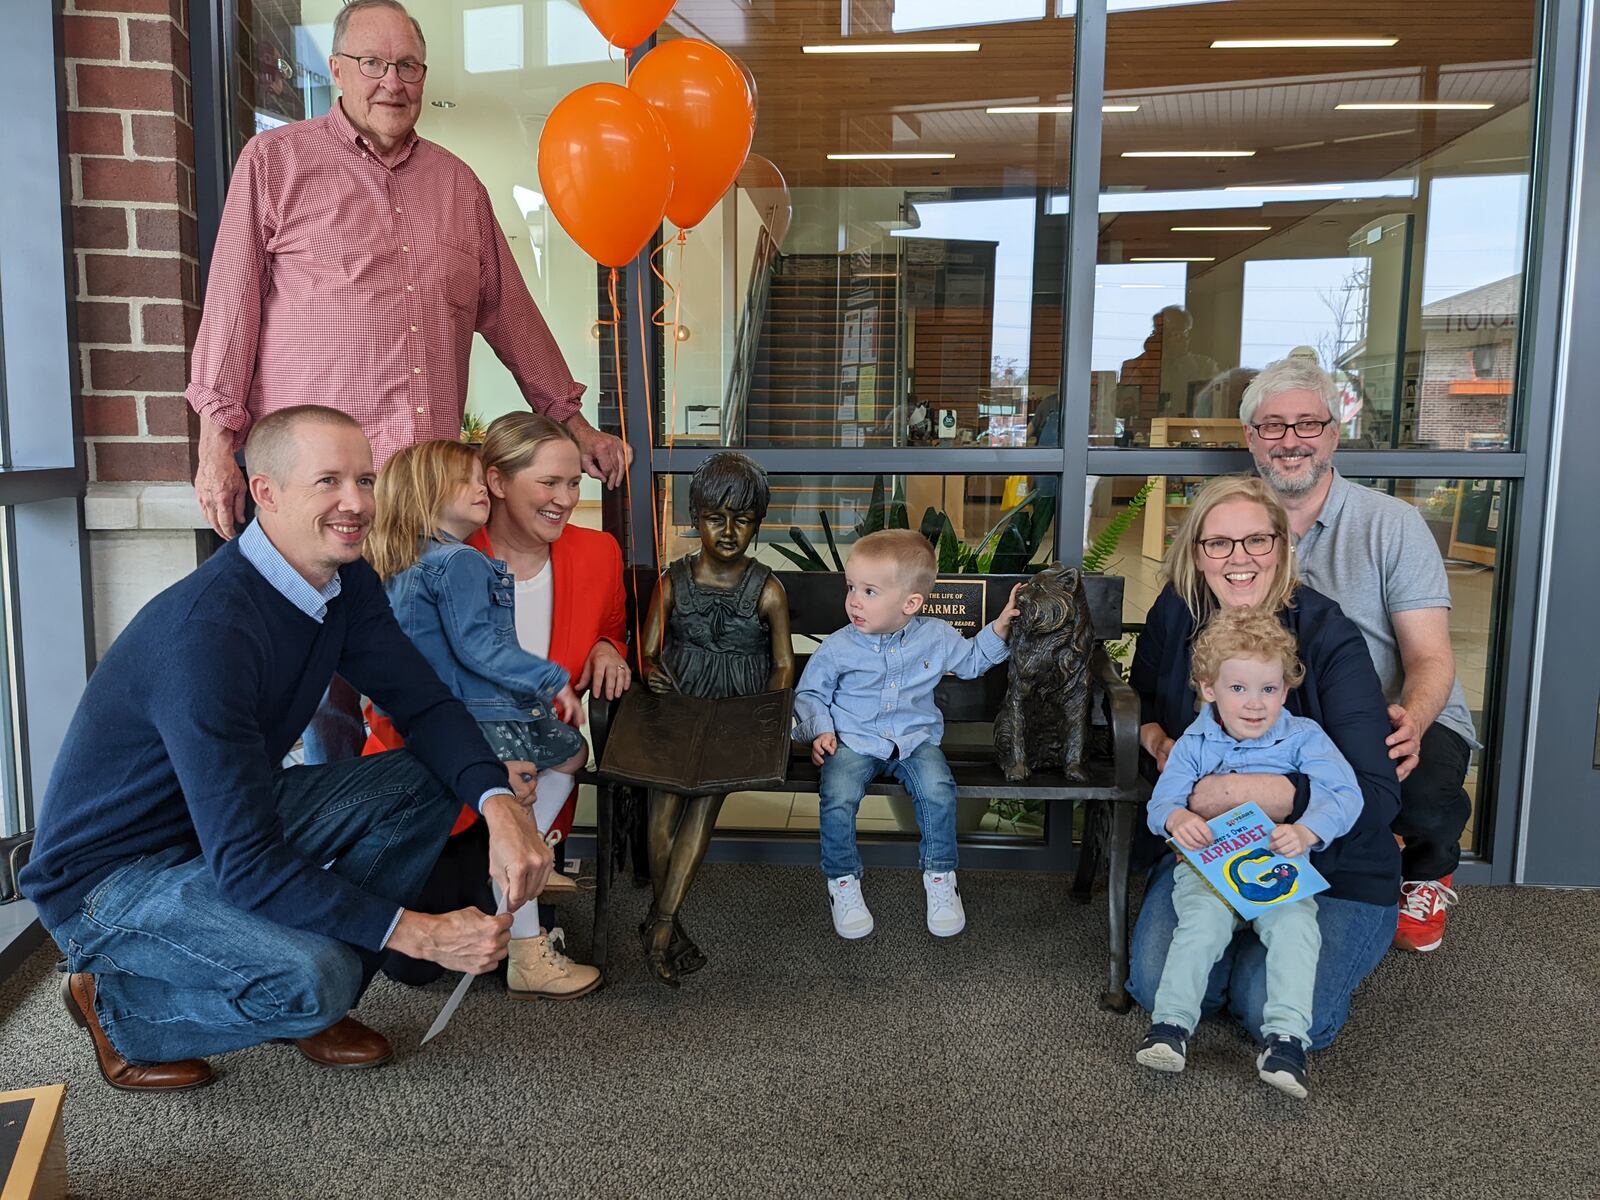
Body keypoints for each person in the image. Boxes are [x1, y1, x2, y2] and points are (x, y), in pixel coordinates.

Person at [18, 407, 552, 1092]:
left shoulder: (343, 579)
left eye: (364, 478)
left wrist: (501, 805)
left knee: (427, 775)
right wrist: (414, 932)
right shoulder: (209, 634)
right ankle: (121, 1011)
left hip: (214, 826)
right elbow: (246, 863)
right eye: (327, 481)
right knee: (317, 975)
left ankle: (313, 997)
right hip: (109, 878)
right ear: (265, 492)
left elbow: (422, 702)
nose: (356, 503)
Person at [185, 0, 630, 762]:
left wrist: (573, 423)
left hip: (421, 498)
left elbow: (511, 315)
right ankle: (333, 868)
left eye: (408, 66)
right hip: (315, 489)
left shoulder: (458, 187)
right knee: (317, 695)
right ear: (336, 72)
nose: (392, 81)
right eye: (373, 64)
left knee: (424, 686)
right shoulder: (275, 164)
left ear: (424, 75)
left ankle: (430, 864)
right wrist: (214, 445)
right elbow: (230, 312)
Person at [1129, 474, 1401, 1051]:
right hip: (1214, 853)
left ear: (1283, 544)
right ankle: (1239, 938)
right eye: (1218, 543)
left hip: (1332, 865)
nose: (1239, 559)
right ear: (1197, 555)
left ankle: (1263, 952)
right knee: (1162, 988)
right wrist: (1155, 740)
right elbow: (1146, 697)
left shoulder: (1329, 637)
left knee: (1262, 1012)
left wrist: (1231, 792)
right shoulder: (1179, 612)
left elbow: (1375, 794)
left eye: (1257, 540)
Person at [365, 411, 629, 995]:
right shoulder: (452, 553)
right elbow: (392, 694)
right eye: (549, 482)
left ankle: (530, 891)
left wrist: (610, 647)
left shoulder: (598, 554)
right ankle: (511, 874)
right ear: (497, 482)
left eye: (573, 483)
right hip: (437, 780)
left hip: (528, 782)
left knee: (564, 764)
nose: (565, 498)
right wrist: (481, 777)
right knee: (415, 967)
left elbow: (611, 622)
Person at [1239, 348, 1477, 952]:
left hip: (1395, 707)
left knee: (1419, 797)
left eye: (1307, 425)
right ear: (1251, 438)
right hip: (1291, 715)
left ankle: (1424, 865)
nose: (1290, 441)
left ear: (1333, 435)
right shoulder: (1235, 523)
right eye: (1273, 426)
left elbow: (1429, 656)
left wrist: (1414, 721)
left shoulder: (1392, 523)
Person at [1136, 605, 1364, 1100]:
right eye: (1238, 689)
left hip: (1277, 866)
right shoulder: (1195, 742)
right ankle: (1170, 1027)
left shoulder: (1303, 736)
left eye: (1269, 689)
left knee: (1297, 930)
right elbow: (1163, 803)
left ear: (1286, 688)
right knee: (1201, 926)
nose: (1256, 704)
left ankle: (1285, 1040)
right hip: (1209, 870)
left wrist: (1306, 831)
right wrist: (1179, 819)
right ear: (1209, 688)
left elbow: (1346, 795)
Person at [792, 529, 1021, 941]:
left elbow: (970, 661)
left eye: (869, 591)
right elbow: (810, 692)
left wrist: (1001, 627)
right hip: (853, 740)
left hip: (915, 741)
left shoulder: (934, 635)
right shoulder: (839, 647)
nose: (854, 601)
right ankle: (842, 881)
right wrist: (820, 732)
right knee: (838, 793)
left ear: (910, 603)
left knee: (937, 788)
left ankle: (940, 876)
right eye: (851, 588)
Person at [638, 453, 795, 987]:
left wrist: (765, 718)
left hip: (732, 716)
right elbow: (650, 649)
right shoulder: (673, 580)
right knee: (660, 817)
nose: (728, 531)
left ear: (757, 523)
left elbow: (782, 664)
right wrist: (653, 670)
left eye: (743, 519)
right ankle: (670, 922)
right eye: (715, 517)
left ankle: (659, 927)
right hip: (678, 711)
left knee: (701, 806)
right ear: (695, 517)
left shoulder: (768, 589)